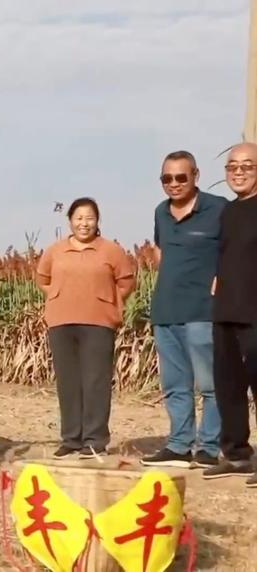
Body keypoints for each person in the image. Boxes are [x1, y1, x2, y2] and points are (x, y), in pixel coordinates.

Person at [141, 151, 226, 469]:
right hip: (166, 311)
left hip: (203, 311)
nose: (174, 183)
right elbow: (160, 252)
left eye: (181, 177)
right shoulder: (161, 212)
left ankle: (209, 448)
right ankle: (179, 445)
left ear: (196, 176)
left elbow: (238, 249)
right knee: (175, 386)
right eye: (167, 178)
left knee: (210, 385)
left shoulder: (219, 208)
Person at [35, 198, 136, 459]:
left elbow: (126, 282)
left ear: (97, 221)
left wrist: (109, 301)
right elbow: (42, 279)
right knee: (68, 382)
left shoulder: (111, 250)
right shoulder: (55, 250)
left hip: (99, 321)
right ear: (70, 221)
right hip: (61, 321)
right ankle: (71, 438)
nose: (84, 223)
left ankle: (94, 440)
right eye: (79, 218)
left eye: (89, 218)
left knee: (96, 381)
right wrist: (59, 294)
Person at [204, 142, 257, 486]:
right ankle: (236, 453)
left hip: (254, 310)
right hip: (225, 309)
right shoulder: (228, 211)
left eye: (247, 166)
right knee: (228, 386)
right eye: (232, 167)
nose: (238, 172)